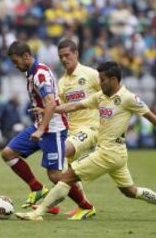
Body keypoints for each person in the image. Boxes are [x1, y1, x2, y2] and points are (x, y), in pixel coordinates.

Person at [16, 61, 156, 221]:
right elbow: (74, 106)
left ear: (114, 79)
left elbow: (152, 117)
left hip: (108, 153)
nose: (100, 83)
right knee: (130, 191)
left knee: (66, 177)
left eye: (103, 79)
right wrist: (50, 109)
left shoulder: (128, 98)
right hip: (116, 154)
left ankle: (38, 213)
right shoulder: (101, 96)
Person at [2, 41, 86, 213]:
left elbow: (50, 103)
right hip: (39, 125)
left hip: (53, 129)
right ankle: (37, 188)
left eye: (16, 61)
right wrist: (39, 127)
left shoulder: (40, 74)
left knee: (55, 175)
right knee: (8, 153)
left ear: (26, 56)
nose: (15, 66)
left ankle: (85, 206)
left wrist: (41, 130)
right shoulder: (31, 72)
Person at [56, 39, 101, 219]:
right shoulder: (62, 83)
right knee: (66, 170)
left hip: (91, 127)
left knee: (63, 150)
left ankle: (48, 205)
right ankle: (83, 205)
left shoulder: (91, 74)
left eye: (67, 55)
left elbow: (111, 92)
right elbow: (61, 108)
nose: (64, 59)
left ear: (76, 54)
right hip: (72, 130)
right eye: (61, 57)